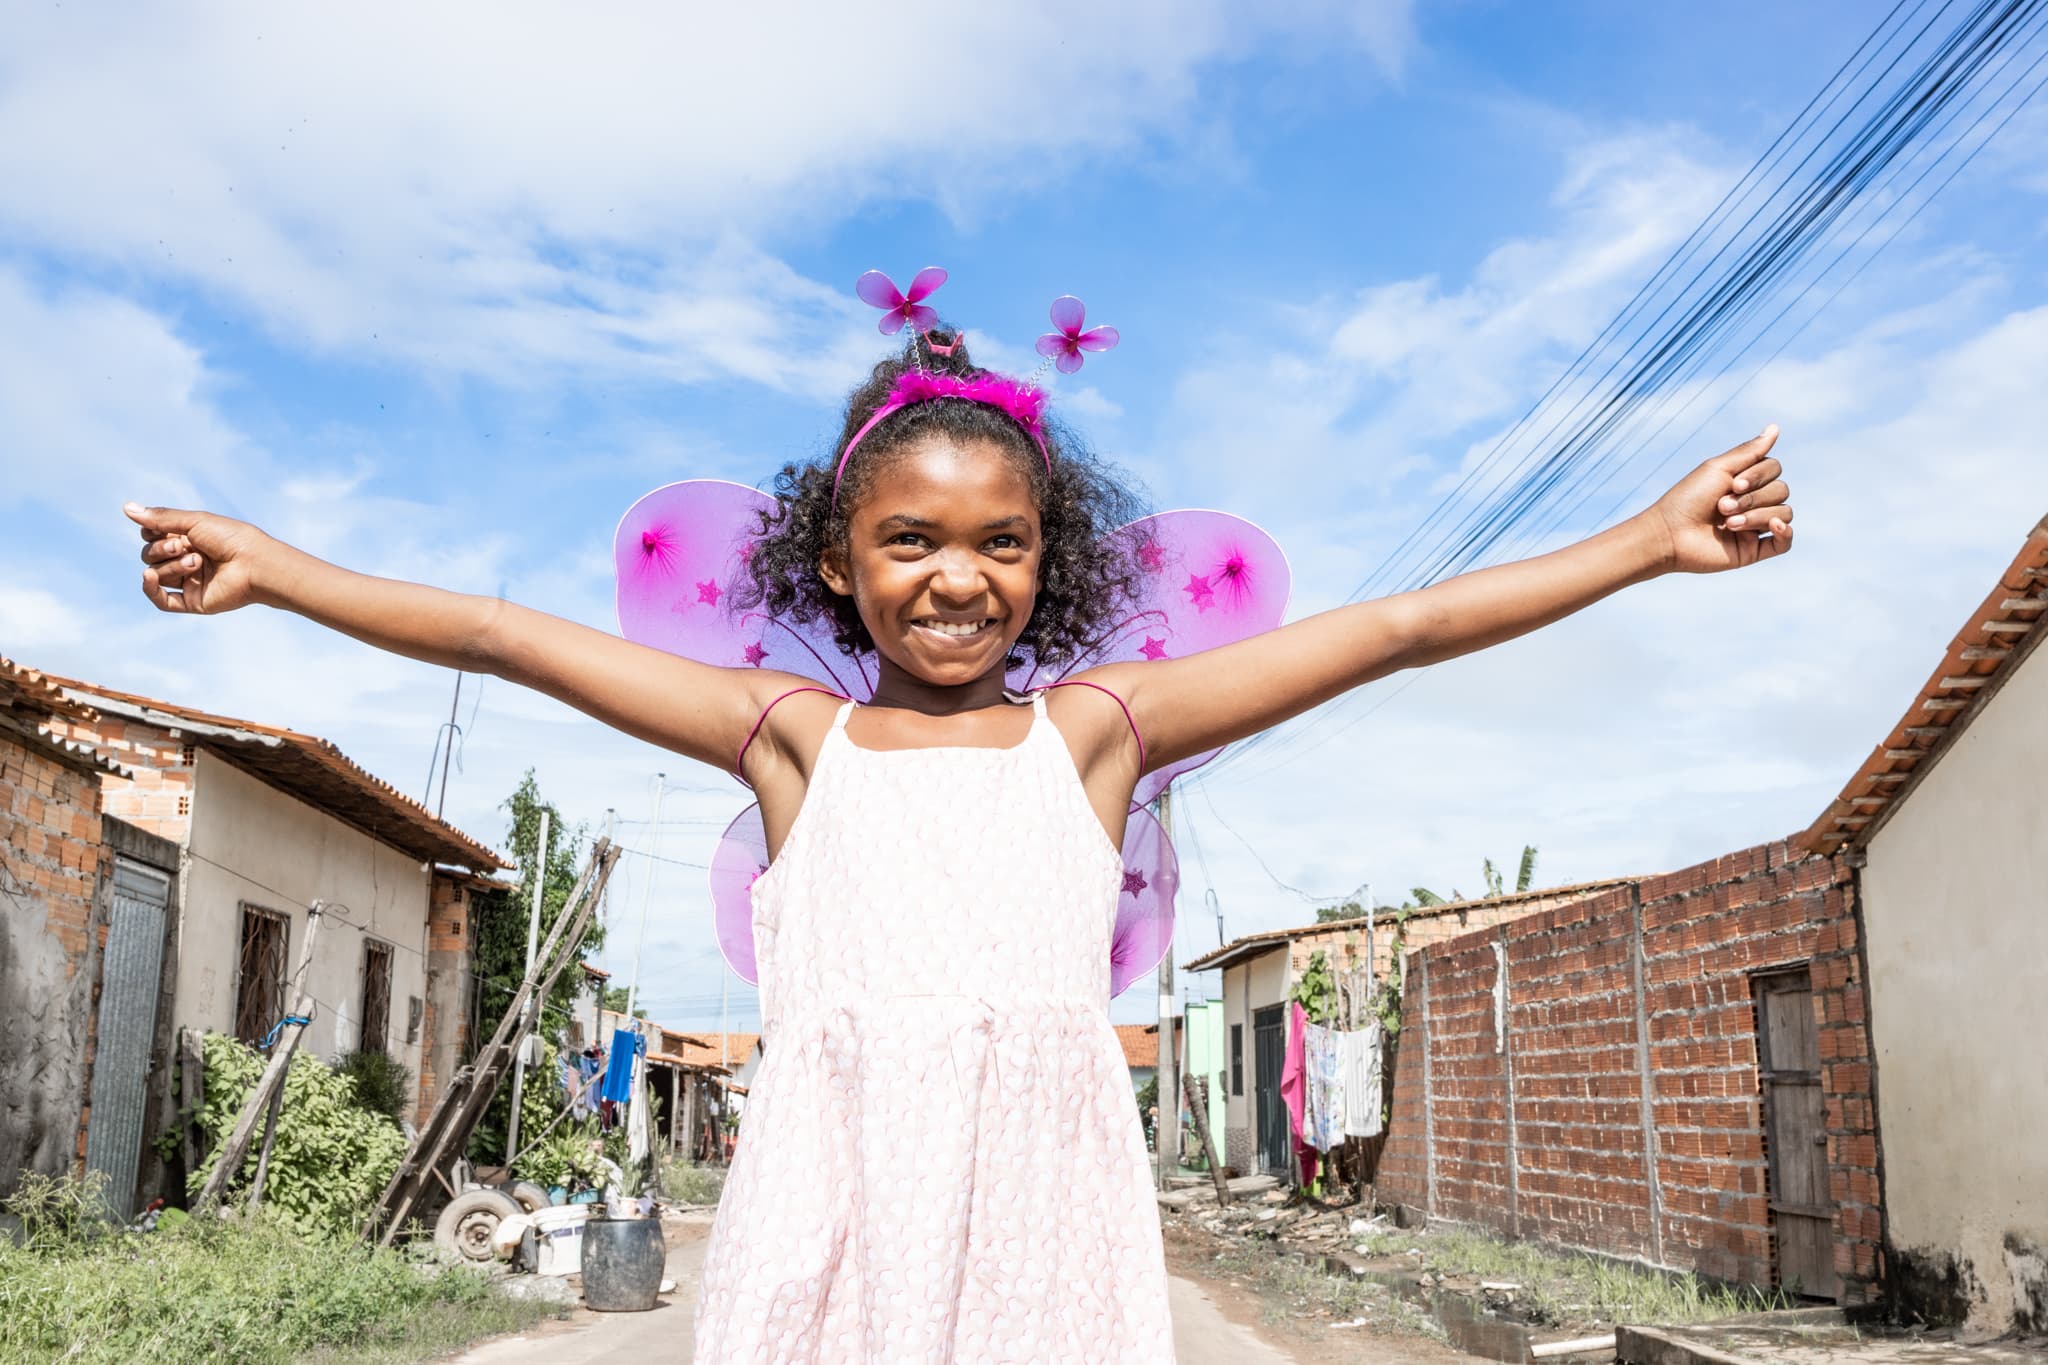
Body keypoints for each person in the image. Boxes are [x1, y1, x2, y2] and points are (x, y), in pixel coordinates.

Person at [123, 313, 1792, 1362]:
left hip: (1042, 1207)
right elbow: (499, 632)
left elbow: (1399, 628)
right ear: (836, 561)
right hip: (830, 1195)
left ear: (1045, 562)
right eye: (908, 535)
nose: (954, 572)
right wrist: (276, 565)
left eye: (999, 542)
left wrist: (1647, 539)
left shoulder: (1097, 736)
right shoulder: (790, 738)